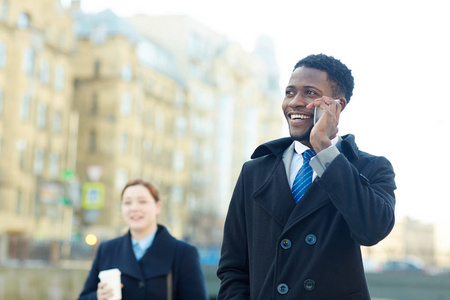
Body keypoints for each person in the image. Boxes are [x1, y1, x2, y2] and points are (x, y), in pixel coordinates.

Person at [217, 54, 396, 299]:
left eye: (310, 93)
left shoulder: (371, 167)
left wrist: (324, 147)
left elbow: (372, 230)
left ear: (337, 106)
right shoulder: (254, 171)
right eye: (290, 92)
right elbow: (233, 268)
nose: (295, 102)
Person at [78, 178, 208, 300]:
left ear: (157, 207)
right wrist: (97, 296)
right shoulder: (107, 250)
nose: (134, 208)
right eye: (127, 202)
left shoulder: (183, 253)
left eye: (142, 201)